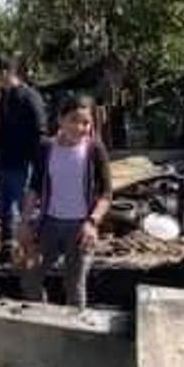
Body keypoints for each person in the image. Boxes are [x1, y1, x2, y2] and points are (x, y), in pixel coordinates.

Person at [18, 93, 113, 309]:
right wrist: (24, 223)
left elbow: (107, 194)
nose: (79, 127)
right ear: (60, 120)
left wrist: (92, 222)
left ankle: (74, 335)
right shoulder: (46, 148)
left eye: (86, 123)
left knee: (74, 286)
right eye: (73, 120)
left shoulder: (94, 150)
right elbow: (34, 188)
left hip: (80, 228)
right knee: (30, 277)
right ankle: (40, 318)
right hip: (49, 225)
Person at [0, 53, 47, 263]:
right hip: (4, 163)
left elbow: (40, 132)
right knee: (6, 209)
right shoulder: (2, 100)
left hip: (24, 164)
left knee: (25, 209)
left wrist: (38, 164)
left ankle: (33, 250)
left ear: (4, 72)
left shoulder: (29, 97)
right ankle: (8, 251)